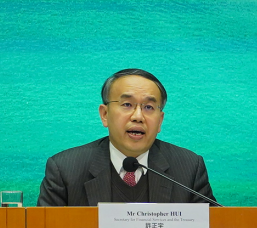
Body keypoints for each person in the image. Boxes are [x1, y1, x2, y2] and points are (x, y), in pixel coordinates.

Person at [37, 69, 215, 206]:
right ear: (105, 114)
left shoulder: (189, 168)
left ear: (160, 121)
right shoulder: (65, 169)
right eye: (127, 104)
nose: (138, 116)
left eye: (149, 107)